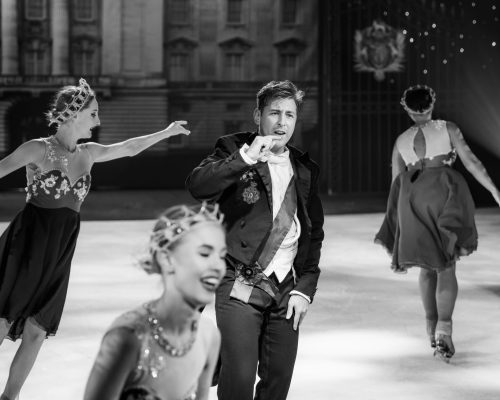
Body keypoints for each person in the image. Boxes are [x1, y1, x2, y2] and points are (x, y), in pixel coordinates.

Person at [0, 78, 190, 400]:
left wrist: (167, 132)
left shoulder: (88, 153)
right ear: (74, 114)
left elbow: (129, 148)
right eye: (93, 114)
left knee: (37, 329)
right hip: (29, 242)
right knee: (4, 319)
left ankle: (9, 397)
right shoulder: (38, 148)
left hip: (61, 247)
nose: (98, 121)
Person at [186, 80, 324, 400]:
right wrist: (245, 157)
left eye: (289, 114)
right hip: (239, 279)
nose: (281, 122)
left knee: (278, 379)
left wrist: (305, 289)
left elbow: (314, 233)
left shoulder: (305, 168)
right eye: (274, 113)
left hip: (286, 287)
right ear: (258, 115)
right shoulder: (233, 148)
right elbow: (198, 185)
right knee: (239, 377)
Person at [375, 85, 500, 363]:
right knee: (445, 265)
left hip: (411, 198)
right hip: (442, 192)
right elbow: (472, 162)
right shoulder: (447, 128)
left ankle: (432, 329)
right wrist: (494, 190)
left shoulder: (401, 140)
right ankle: (444, 330)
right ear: (432, 104)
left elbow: (396, 183)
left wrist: (397, 221)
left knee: (426, 266)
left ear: (407, 109)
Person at [84, 203, 226, 400]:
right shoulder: (128, 338)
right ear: (167, 259)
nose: (218, 266)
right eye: (204, 254)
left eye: (222, 255)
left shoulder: (208, 335)